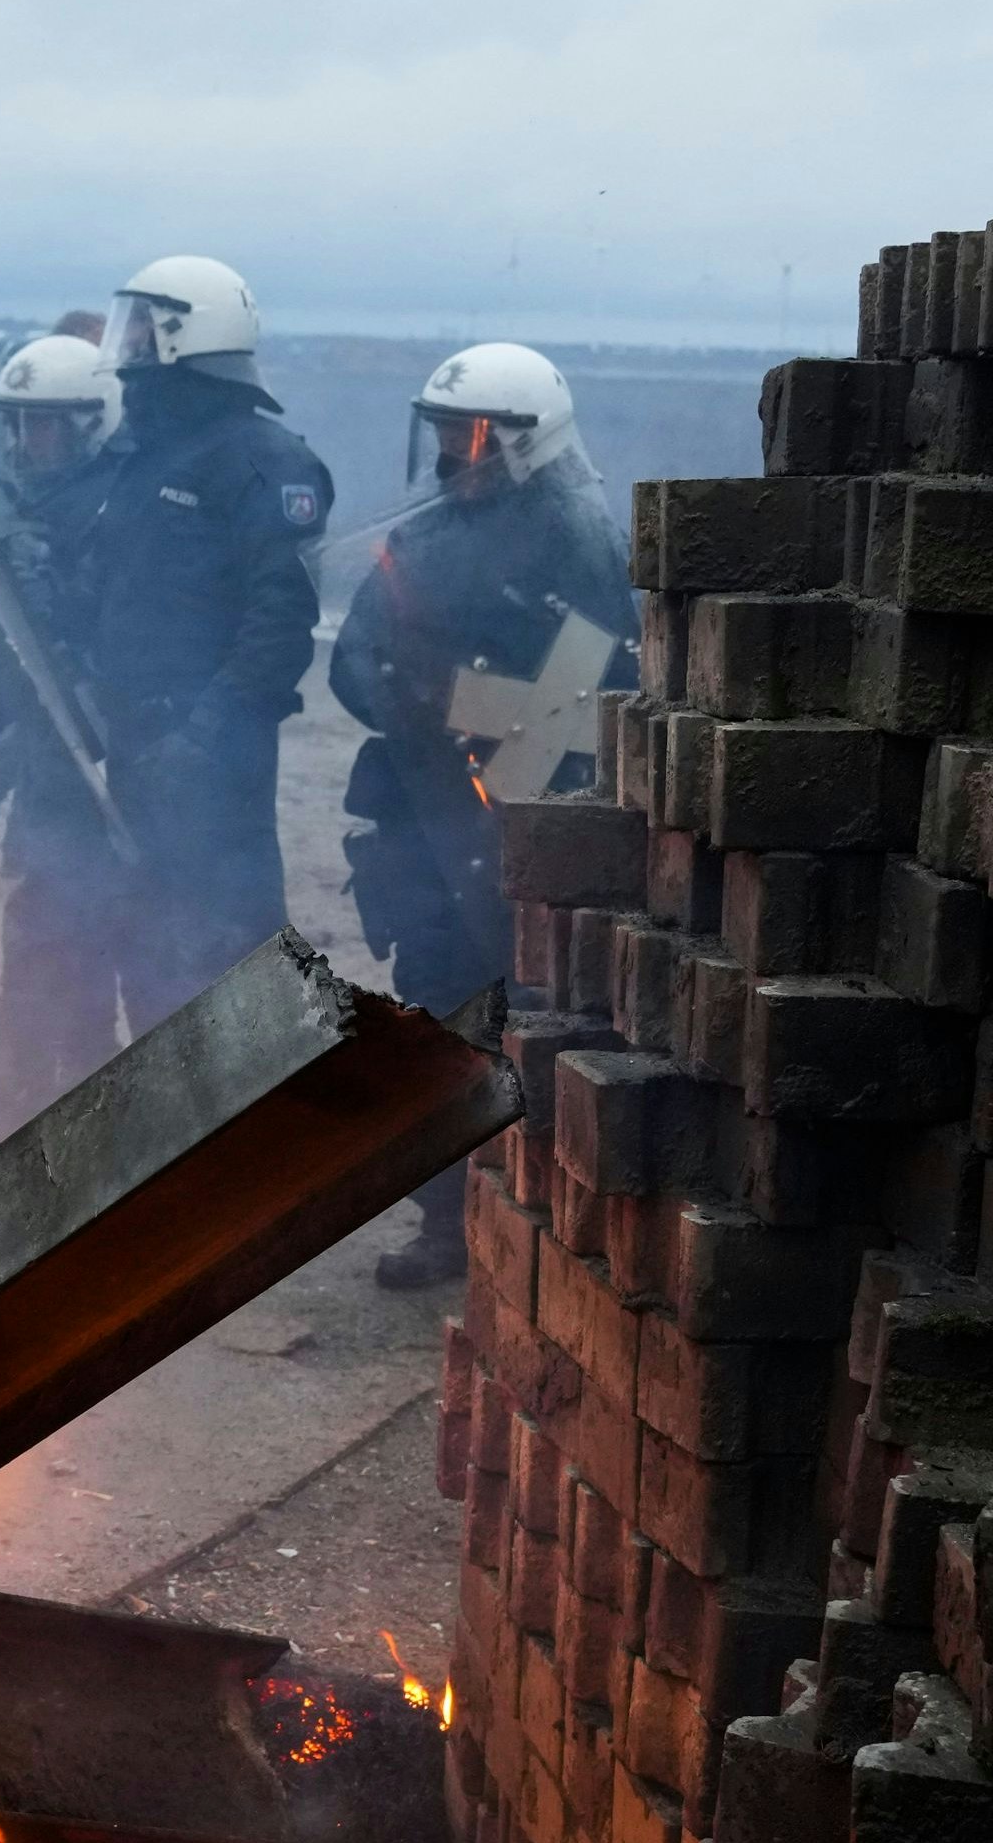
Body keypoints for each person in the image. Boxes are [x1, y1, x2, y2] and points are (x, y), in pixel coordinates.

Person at [331, 341, 633, 1283]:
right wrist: (403, 700)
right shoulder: (419, 540)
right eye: (445, 437)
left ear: (528, 443)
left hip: (522, 828)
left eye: (476, 437)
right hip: (424, 824)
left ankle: (538, 1218)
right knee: (432, 1017)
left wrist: (457, 703)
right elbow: (351, 663)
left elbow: (595, 697)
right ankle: (441, 1219)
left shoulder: (582, 544)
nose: (458, 457)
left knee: (534, 1014)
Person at [62, 255, 332, 1022]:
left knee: (223, 953)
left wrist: (204, 737)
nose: (130, 346)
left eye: (146, 328)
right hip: (134, 739)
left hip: (214, 759)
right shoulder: (142, 458)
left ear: (193, 335)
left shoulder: (267, 462)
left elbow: (279, 625)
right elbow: (115, 588)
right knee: (145, 951)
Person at [0, 332, 132, 1127]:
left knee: (94, 948)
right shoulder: (24, 520)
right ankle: (15, 1104)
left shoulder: (119, 515)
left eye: (42, 425)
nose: (23, 444)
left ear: (89, 424)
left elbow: (113, 654)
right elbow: (12, 668)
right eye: (13, 425)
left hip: (111, 777)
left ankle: (66, 1108)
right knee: (43, 943)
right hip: (48, 777)